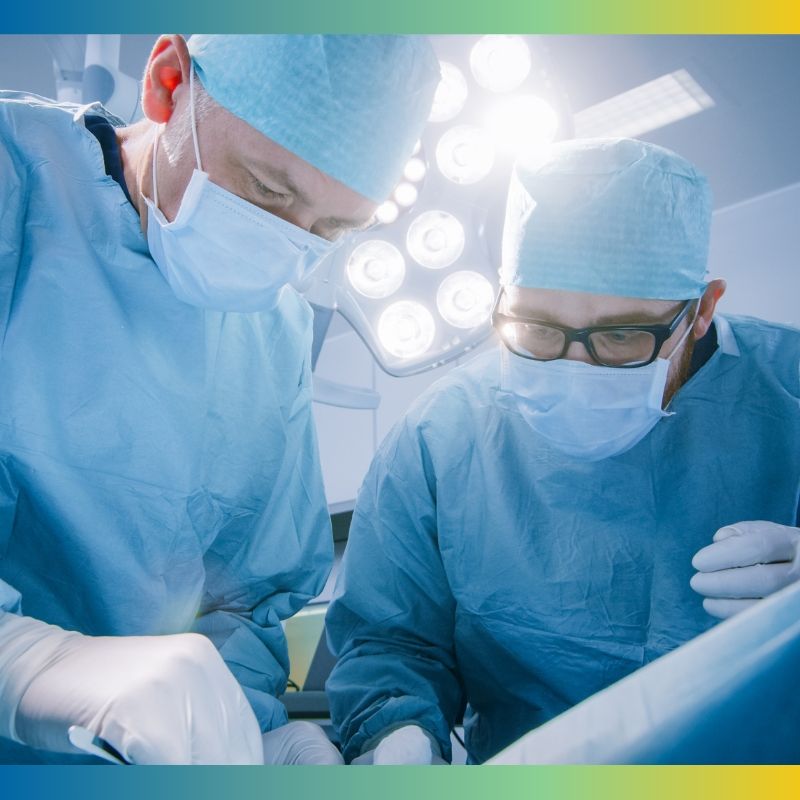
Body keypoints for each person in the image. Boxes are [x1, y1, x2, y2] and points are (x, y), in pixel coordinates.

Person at [0, 34, 438, 764]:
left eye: (331, 228)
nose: (285, 243)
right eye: (267, 190)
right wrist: (28, 664)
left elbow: (247, 597)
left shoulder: (275, 335)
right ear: (169, 83)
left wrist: (250, 732)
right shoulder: (14, 180)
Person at [325, 138, 800, 765]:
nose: (575, 369)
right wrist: (399, 736)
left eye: (622, 336)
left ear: (703, 310)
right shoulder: (441, 436)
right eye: (537, 328)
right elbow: (391, 642)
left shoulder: (787, 390)